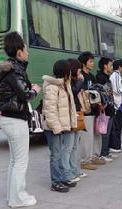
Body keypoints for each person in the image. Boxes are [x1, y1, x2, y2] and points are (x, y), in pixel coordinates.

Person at [0, 32, 41, 208]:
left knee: (15, 161)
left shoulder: (8, 69)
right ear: (20, 52)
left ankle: (13, 196)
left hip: (9, 119)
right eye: (26, 49)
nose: (28, 52)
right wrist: (35, 89)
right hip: (16, 120)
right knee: (20, 161)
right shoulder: (16, 70)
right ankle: (18, 198)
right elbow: (25, 95)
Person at [42, 60, 79, 192]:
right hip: (52, 128)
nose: (70, 73)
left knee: (60, 154)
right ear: (65, 72)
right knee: (56, 155)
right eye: (68, 70)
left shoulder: (65, 85)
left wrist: (71, 123)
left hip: (61, 126)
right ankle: (55, 182)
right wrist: (57, 128)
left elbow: (70, 107)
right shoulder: (52, 87)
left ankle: (62, 178)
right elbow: (50, 111)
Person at [78, 51, 104, 169]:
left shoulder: (92, 77)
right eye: (90, 61)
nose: (92, 63)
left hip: (95, 109)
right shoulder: (80, 76)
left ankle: (94, 156)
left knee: (95, 135)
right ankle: (85, 161)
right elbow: (82, 94)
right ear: (84, 63)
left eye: (93, 61)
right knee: (86, 138)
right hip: (85, 110)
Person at [67, 58, 88, 178]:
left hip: (77, 113)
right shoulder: (69, 81)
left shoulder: (74, 80)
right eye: (79, 68)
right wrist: (80, 81)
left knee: (75, 145)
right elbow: (73, 92)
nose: (80, 71)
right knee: (70, 146)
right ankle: (70, 170)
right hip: (72, 114)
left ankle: (74, 169)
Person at [95, 57, 116, 161]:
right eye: (110, 65)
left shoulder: (106, 77)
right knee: (104, 133)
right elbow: (101, 94)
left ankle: (106, 152)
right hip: (105, 109)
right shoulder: (100, 78)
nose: (112, 67)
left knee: (107, 133)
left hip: (110, 108)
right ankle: (103, 154)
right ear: (105, 66)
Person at [109, 59, 122, 150]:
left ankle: (118, 143)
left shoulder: (117, 76)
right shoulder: (115, 76)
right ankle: (116, 145)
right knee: (117, 126)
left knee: (119, 125)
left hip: (119, 103)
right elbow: (116, 90)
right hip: (117, 104)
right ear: (119, 67)